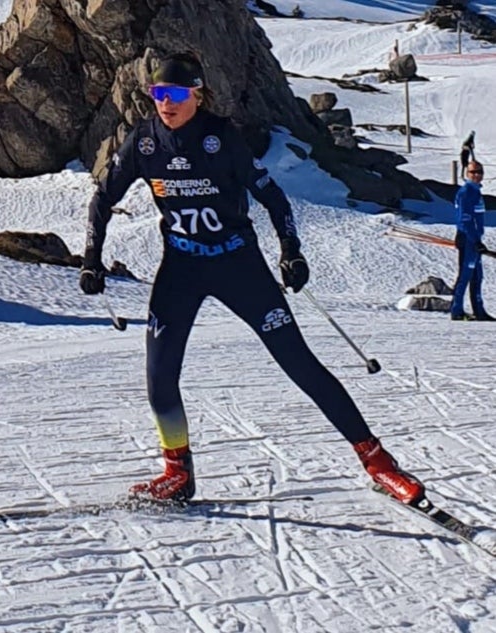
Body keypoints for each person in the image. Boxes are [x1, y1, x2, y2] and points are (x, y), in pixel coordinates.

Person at [79, 52, 424, 505]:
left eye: (178, 94)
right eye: (159, 94)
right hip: (181, 268)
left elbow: (274, 198)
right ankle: (177, 472)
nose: (167, 103)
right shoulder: (144, 142)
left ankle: (378, 461)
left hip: (238, 265)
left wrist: (291, 252)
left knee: (301, 364)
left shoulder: (221, 139)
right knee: (160, 379)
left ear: (198, 96)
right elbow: (103, 197)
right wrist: (91, 257)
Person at [451, 161, 495, 321]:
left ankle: (479, 310)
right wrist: (475, 240)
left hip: (475, 239)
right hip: (468, 238)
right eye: (473, 172)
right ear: (467, 174)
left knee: (477, 276)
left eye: (480, 172)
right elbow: (465, 220)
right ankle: (457, 311)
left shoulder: (475, 192)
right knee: (465, 275)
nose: (477, 175)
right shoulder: (466, 192)